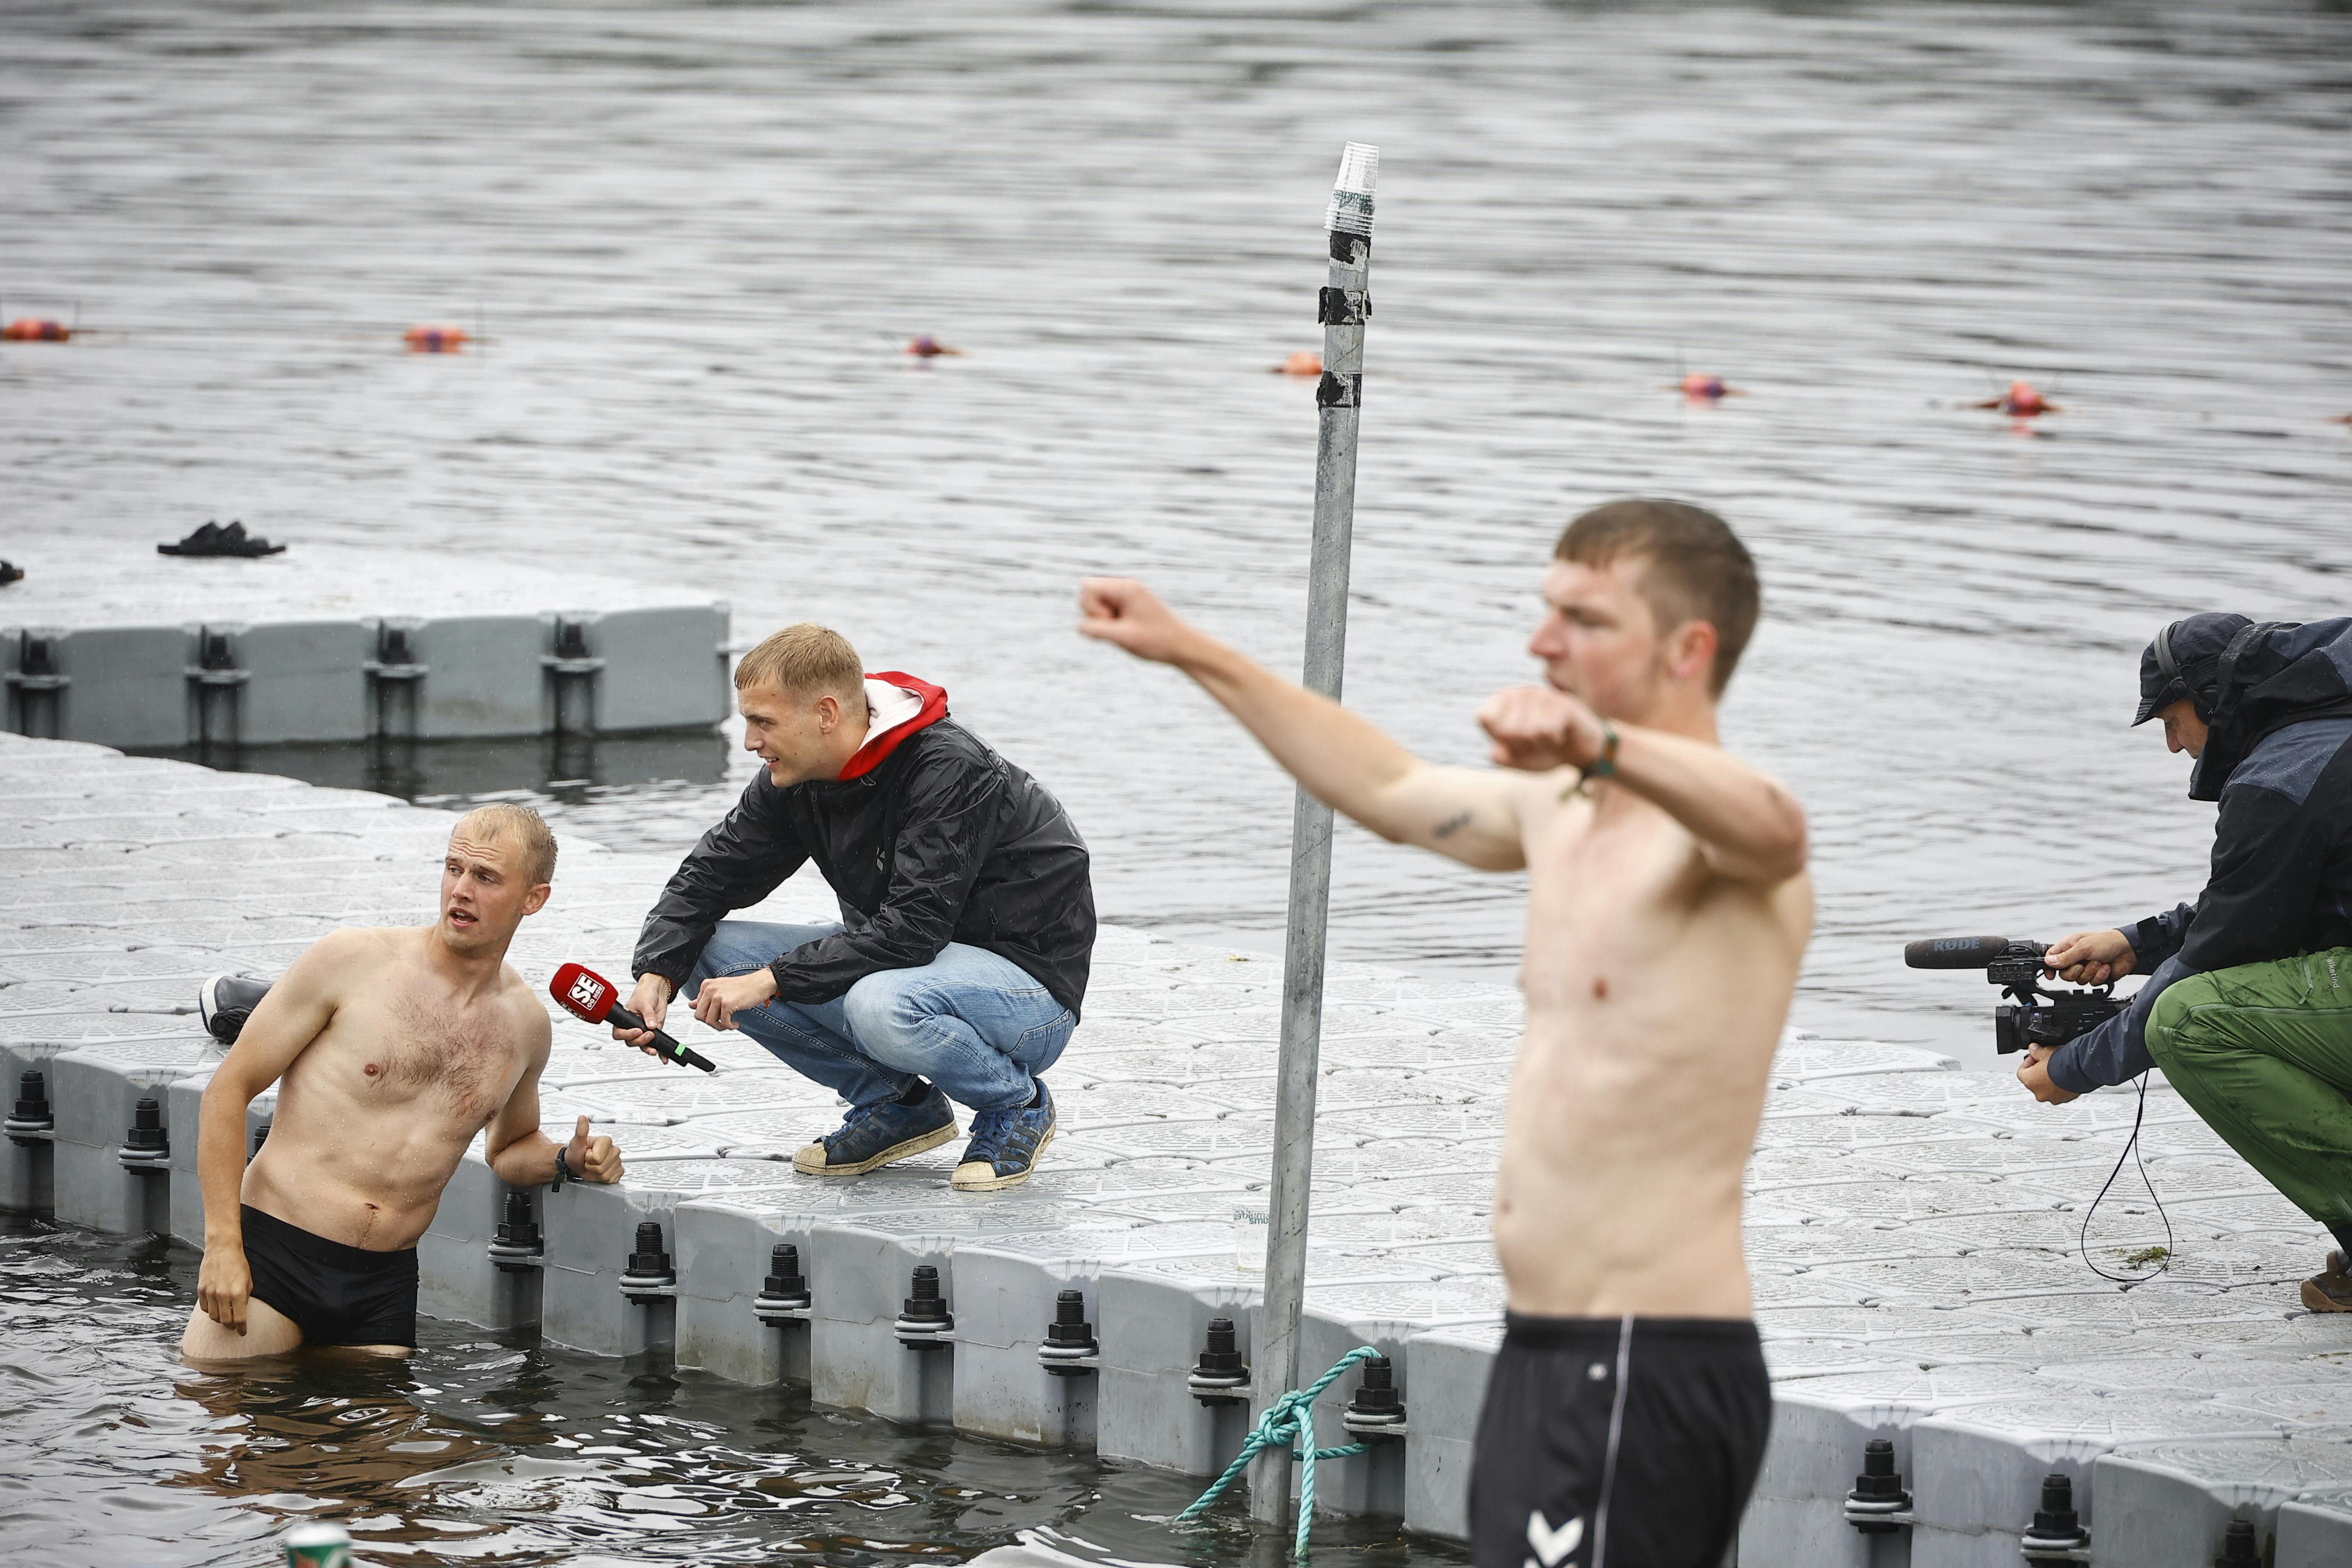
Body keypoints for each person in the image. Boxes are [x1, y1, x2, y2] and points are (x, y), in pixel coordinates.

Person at [1079, 498, 1812, 1568]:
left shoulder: (1722, 849)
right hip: (1547, 1353)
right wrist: (1191, 648)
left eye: (1586, 620)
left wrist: (1602, 744)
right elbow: (1386, 786)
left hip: (1641, 1359)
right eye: (1545, 611)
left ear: (1688, 649)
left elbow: (1774, 827)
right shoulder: (1564, 812)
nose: (1542, 643)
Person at [619, 624, 1093, 1191]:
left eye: (763, 723)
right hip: (916, 968)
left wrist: (773, 979)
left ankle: (1017, 1104)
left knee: (881, 1004)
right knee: (704, 952)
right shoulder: (795, 776)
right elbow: (706, 881)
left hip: (1030, 997)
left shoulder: (949, 769)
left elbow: (914, 929)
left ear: (825, 714)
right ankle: (898, 1105)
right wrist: (655, 976)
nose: (749, 742)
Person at [180, 804, 625, 1361]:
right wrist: (222, 1245)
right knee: (226, 1420)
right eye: (453, 868)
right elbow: (229, 1088)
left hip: (381, 1287)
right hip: (276, 1256)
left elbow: (508, 1150)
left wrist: (569, 1159)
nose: (461, 889)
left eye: (485, 878)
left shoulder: (525, 1026)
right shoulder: (352, 962)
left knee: (382, 1447)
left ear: (534, 899)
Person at [2019, 614, 2352, 1311]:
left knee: (2190, 1021)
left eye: (2172, 721)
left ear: (2213, 698)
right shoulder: (2326, 733)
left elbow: (2217, 960)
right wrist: (2135, 942)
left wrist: (2073, 1068)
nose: (2174, 746)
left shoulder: (2281, 777)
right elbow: (2270, 908)